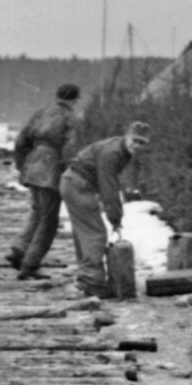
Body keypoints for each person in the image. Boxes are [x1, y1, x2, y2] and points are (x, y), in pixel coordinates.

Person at [60, 121, 152, 297]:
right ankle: (92, 283)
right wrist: (115, 219)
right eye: (135, 140)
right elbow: (109, 187)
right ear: (127, 136)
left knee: (85, 232)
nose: (138, 146)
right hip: (78, 184)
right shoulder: (113, 153)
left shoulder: (120, 147)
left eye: (142, 143)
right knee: (95, 234)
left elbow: (108, 183)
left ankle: (87, 277)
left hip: (72, 182)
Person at [6, 83, 81, 280]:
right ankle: (30, 265)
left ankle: (19, 249)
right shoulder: (70, 119)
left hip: (33, 163)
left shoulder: (41, 113)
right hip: (51, 168)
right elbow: (70, 149)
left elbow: (21, 141)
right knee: (49, 220)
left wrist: (22, 165)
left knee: (37, 212)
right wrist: (69, 174)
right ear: (74, 100)